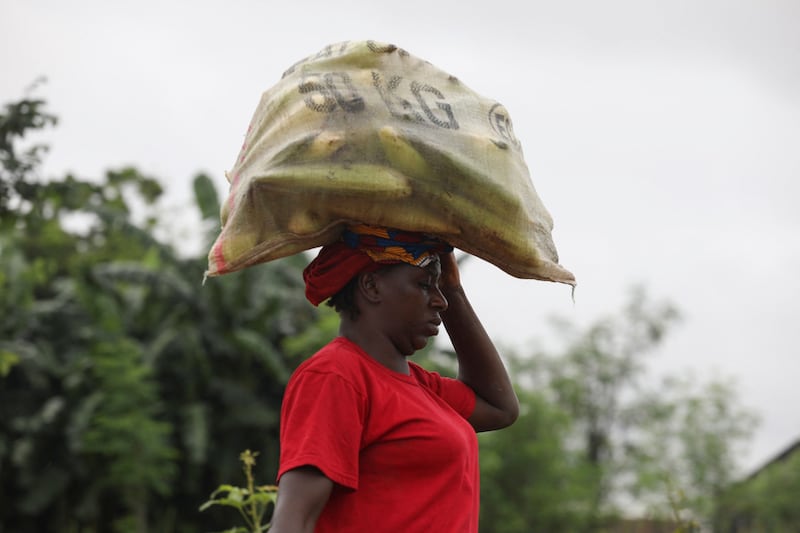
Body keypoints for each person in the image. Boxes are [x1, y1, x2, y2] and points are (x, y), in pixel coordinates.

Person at [269, 224, 519, 533]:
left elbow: (500, 408)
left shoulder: (423, 387)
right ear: (371, 286)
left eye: (440, 288)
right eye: (425, 285)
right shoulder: (335, 375)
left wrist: (454, 289)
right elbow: (294, 520)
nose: (440, 301)